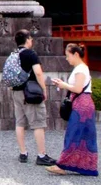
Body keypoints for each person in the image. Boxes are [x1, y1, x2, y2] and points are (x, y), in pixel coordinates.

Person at [47, 44, 97, 176]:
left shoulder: (80, 69)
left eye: (68, 55)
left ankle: (63, 165)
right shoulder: (81, 68)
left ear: (75, 54)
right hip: (84, 104)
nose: (66, 58)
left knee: (73, 134)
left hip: (82, 105)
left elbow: (78, 89)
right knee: (83, 136)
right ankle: (86, 165)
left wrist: (63, 85)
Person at [11, 30, 56, 166]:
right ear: (27, 39)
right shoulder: (30, 54)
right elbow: (38, 72)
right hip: (30, 93)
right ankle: (41, 155)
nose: (32, 41)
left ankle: (23, 153)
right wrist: (44, 89)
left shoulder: (13, 55)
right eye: (31, 38)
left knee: (20, 122)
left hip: (16, 92)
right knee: (38, 123)